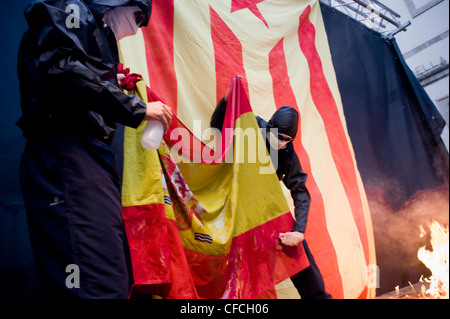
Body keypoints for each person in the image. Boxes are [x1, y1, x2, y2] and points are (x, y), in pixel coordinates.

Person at [17, 0, 172, 299]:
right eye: (138, 17)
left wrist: (113, 89)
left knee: (99, 273)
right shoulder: (69, 5)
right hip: (67, 150)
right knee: (96, 280)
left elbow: (69, 67)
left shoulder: (88, 23)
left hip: (84, 153)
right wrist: (137, 108)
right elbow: (62, 67)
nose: (137, 29)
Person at [211, 92, 331, 299]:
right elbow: (217, 126)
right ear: (269, 127)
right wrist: (226, 101)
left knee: (300, 255)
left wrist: (298, 230)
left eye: (287, 139)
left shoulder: (287, 152)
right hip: (234, 208)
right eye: (278, 136)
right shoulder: (251, 126)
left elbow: (300, 191)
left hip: (265, 209)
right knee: (233, 274)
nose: (281, 142)